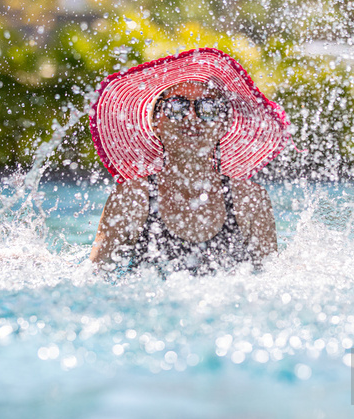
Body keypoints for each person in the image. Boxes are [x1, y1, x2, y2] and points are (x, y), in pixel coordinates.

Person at [88, 48, 290, 275]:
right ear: (156, 121)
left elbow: (271, 282)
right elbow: (94, 279)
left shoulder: (250, 200)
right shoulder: (131, 199)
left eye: (208, 108)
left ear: (223, 125)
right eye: (177, 106)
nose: (191, 117)